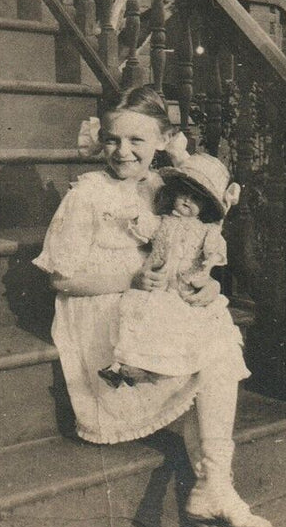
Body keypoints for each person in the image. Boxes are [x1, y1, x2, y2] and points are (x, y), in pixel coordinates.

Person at [35, 85, 272, 527]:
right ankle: (212, 488)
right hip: (105, 311)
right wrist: (130, 280)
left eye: (136, 141)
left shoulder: (167, 187)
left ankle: (213, 486)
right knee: (209, 348)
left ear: (162, 140)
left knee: (220, 335)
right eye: (112, 140)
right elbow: (60, 281)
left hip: (155, 306)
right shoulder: (87, 196)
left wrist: (206, 283)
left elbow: (188, 247)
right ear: (100, 140)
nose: (122, 152)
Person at [99, 151, 241, 389]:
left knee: (174, 321)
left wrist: (207, 266)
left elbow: (214, 251)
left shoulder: (205, 231)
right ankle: (122, 364)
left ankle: (161, 368)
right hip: (159, 283)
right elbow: (142, 223)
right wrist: (127, 214)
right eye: (183, 194)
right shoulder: (163, 221)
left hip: (182, 285)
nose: (186, 200)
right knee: (138, 310)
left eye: (196, 198)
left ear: (205, 205)